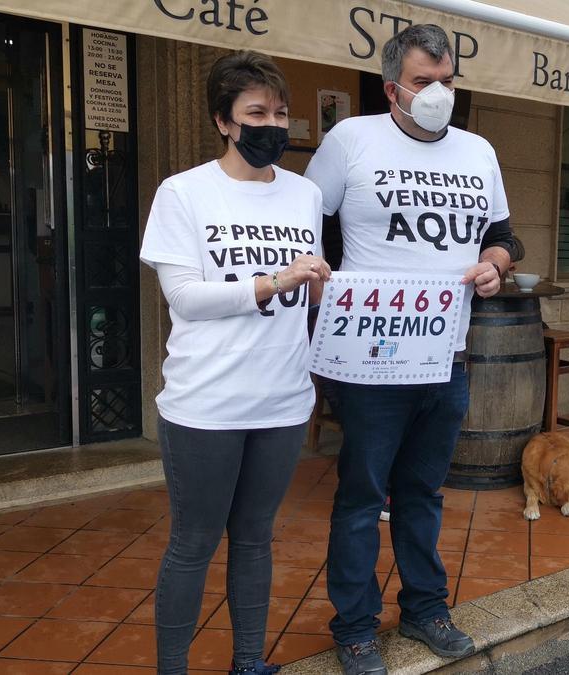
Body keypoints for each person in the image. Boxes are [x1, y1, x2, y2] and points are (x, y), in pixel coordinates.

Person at [304, 24, 516, 675]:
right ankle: (357, 626)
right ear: (393, 87)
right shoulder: (350, 141)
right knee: (362, 494)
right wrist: (324, 295)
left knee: (423, 493)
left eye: (447, 81)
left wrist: (496, 264)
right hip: (368, 360)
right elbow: (306, 228)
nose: (438, 93)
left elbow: (505, 236)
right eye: (425, 82)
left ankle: (426, 609)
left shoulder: (479, 151)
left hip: (445, 356)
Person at [138, 51, 331, 675]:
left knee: (254, 539)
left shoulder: (305, 194)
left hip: (281, 400)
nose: (271, 123)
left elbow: (309, 290)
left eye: (280, 111)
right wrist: (271, 283)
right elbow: (186, 299)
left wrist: (325, 288)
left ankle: (248, 662)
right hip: (205, 404)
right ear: (224, 121)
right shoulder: (184, 193)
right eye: (256, 112)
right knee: (193, 544)